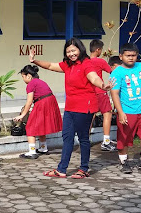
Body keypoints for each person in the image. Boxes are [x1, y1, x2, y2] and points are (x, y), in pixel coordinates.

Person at [29, 38, 110, 179]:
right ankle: (61, 169)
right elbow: (50, 65)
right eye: (68, 52)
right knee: (67, 137)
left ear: (80, 49)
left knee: (83, 138)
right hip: (70, 107)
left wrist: (102, 85)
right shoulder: (68, 65)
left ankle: (84, 168)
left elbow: (93, 77)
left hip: (85, 106)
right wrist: (34, 61)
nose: (71, 54)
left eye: (73, 50)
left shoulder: (86, 63)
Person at [110, 43, 141, 173]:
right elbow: (114, 93)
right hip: (127, 111)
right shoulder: (117, 73)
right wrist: (120, 112)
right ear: (121, 56)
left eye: (133, 55)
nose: (131, 58)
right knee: (124, 139)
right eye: (128, 55)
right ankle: (124, 162)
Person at [13, 65, 62, 159]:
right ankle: (43, 148)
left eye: (23, 76)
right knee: (41, 125)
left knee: (30, 126)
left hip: (42, 103)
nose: (23, 79)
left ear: (28, 76)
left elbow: (29, 101)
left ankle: (32, 152)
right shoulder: (40, 81)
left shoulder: (31, 84)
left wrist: (22, 115)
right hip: (50, 101)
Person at [88, 40, 116, 151]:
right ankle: (106, 141)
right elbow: (112, 72)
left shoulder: (85, 61)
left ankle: (85, 140)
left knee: (90, 116)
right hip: (100, 91)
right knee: (107, 114)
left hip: (89, 93)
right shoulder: (100, 61)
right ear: (98, 50)